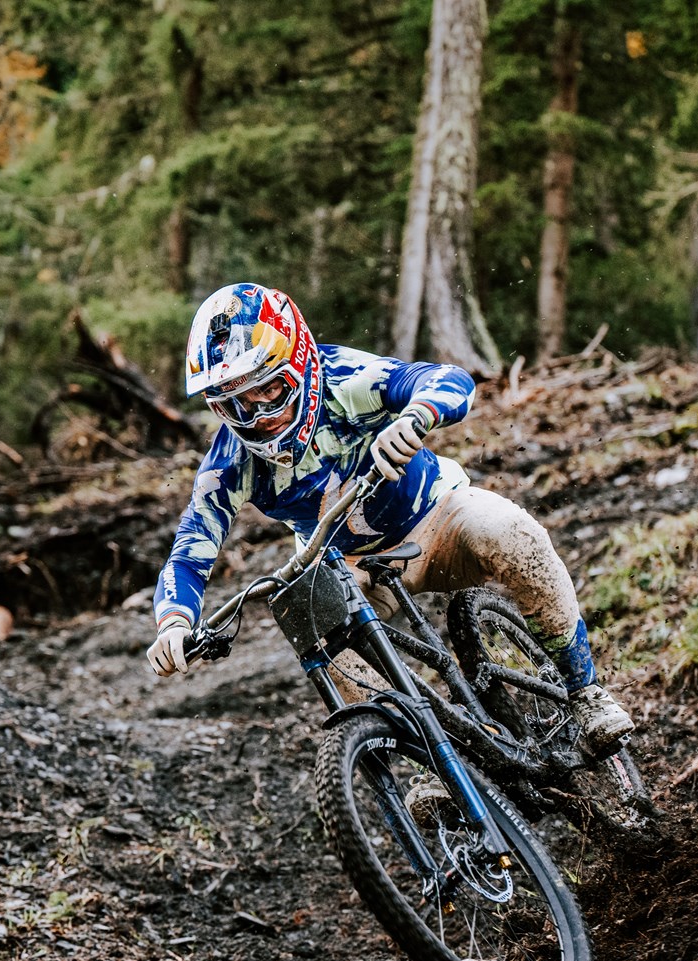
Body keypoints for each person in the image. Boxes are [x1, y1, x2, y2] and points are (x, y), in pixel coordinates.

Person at [145, 282, 635, 753]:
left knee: (513, 534)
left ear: (300, 363)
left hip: (439, 516)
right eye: (234, 404)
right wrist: (173, 622)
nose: (258, 416)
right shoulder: (229, 465)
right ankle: (432, 760)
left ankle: (585, 691)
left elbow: (448, 380)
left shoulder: (346, 379)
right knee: (316, 631)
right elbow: (190, 551)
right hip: (347, 567)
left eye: (270, 390)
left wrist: (416, 417)